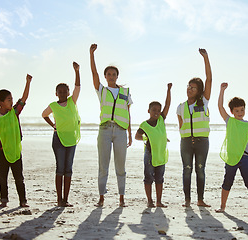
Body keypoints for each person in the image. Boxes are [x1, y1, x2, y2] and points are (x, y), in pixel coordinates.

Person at [90, 43, 132, 207]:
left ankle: (121, 197)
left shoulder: (125, 92)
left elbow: (128, 113)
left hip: (121, 131)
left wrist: (129, 131)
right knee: (103, 165)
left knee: (120, 166)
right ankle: (101, 197)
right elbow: (93, 73)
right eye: (108, 74)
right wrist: (91, 55)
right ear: (105, 76)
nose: (111, 76)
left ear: (117, 76)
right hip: (105, 130)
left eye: (114, 74)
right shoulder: (102, 90)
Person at [0, 74, 32, 208]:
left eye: (12, 99)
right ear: (1, 102)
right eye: (8, 99)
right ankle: (4, 200)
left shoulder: (14, 112)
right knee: (2, 177)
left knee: (19, 177)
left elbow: (24, 99)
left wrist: (27, 82)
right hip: (1, 150)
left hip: (15, 150)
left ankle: (23, 201)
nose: (11, 101)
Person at [216, 82, 248, 214]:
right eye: (237, 111)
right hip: (231, 157)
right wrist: (222, 90)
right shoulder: (230, 121)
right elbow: (220, 107)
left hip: (246, 157)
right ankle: (223, 206)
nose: (240, 112)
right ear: (232, 112)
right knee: (227, 182)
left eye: (242, 110)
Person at [42, 62, 81, 207]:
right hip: (58, 139)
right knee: (60, 168)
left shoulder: (72, 102)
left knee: (68, 169)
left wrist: (77, 71)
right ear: (56, 93)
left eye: (65, 91)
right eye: (60, 91)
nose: (63, 93)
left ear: (68, 92)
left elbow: (78, 87)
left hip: (71, 139)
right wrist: (53, 125)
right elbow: (44, 115)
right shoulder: (53, 105)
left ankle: (66, 199)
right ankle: (59, 199)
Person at [176, 48, 212, 207]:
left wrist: (205, 57)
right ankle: (187, 200)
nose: (189, 89)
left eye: (193, 87)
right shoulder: (180, 107)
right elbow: (181, 126)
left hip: (202, 142)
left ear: (199, 91)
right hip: (185, 143)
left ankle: (200, 200)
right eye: (188, 86)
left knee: (200, 170)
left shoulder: (203, 102)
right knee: (187, 170)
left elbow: (209, 79)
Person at [135, 83, 172, 208]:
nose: (156, 112)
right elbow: (137, 136)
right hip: (150, 154)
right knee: (148, 178)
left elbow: (168, 104)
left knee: (160, 179)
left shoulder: (161, 120)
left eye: (158, 110)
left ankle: (159, 201)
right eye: (153, 110)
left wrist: (168, 90)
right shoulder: (144, 125)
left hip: (161, 154)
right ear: (148, 111)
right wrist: (147, 138)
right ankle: (150, 201)